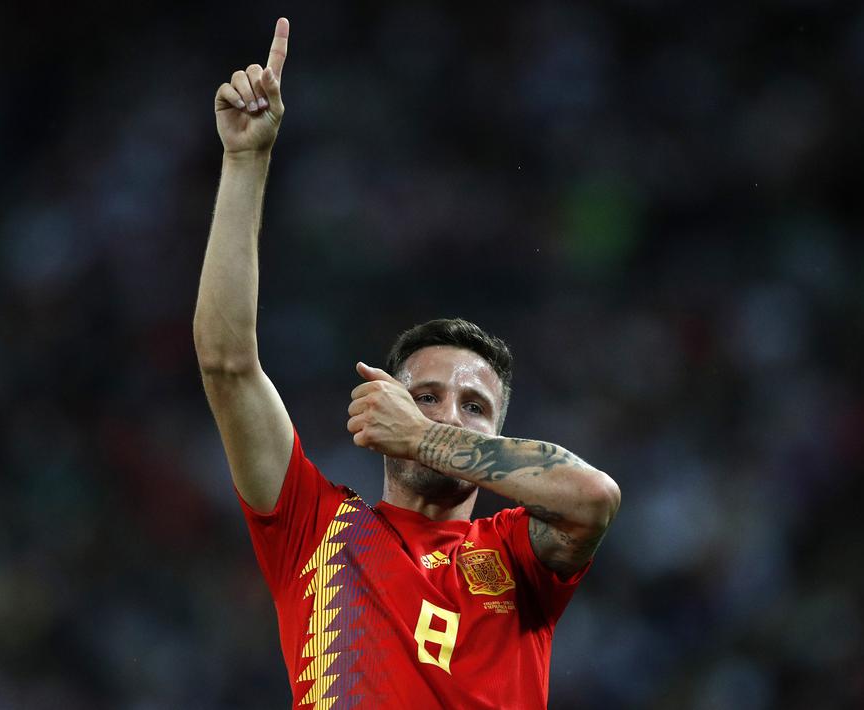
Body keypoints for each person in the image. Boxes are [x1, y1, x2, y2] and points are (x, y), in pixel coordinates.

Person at [194, 17, 621, 708]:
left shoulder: (517, 554)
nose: (449, 412)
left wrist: (422, 436)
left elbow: (594, 499)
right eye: (425, 395)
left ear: (498, 433)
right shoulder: (315, 529)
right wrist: (245, 162)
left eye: (474, 406)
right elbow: (226, 365)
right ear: (381, 399)